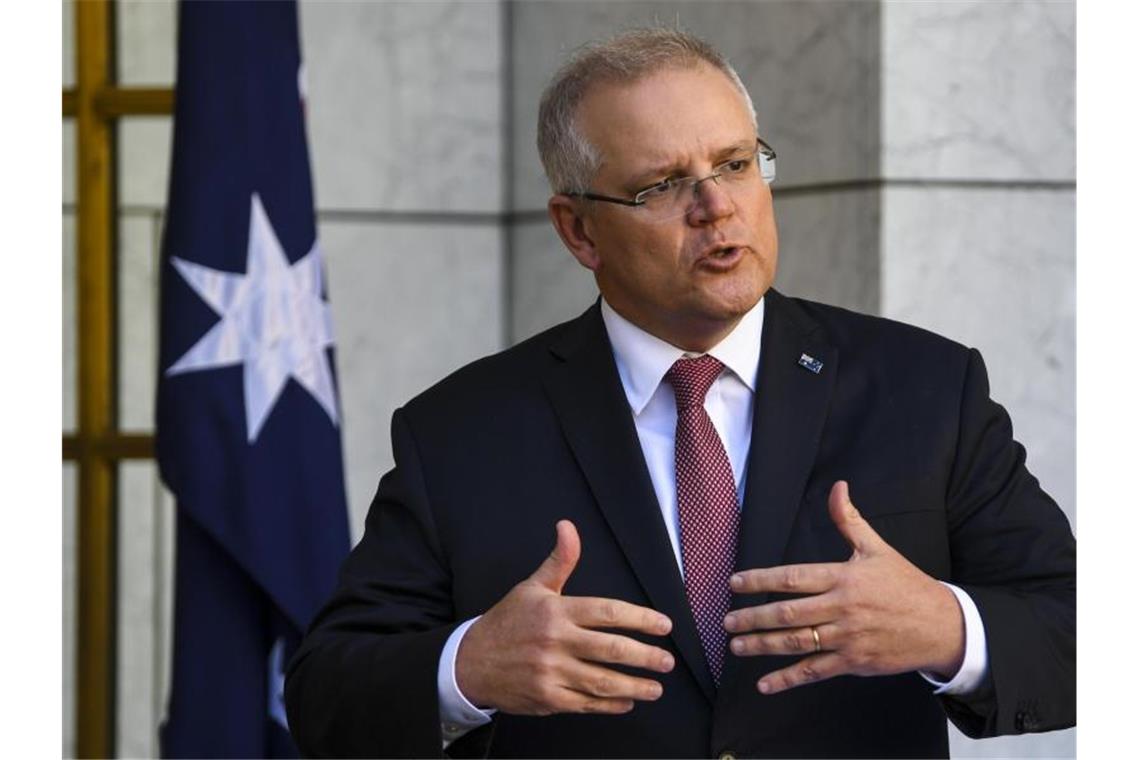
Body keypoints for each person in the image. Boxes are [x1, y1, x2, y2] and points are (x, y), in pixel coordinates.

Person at [285, 28, 1075, 759]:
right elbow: (324, 692)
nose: (718, 207)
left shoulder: (928, 389)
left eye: (735, 163)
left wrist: (948, 628)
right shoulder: (462, 431)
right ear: (579, 231)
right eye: (663, 185)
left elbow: (1084, 636)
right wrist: (468, 668)